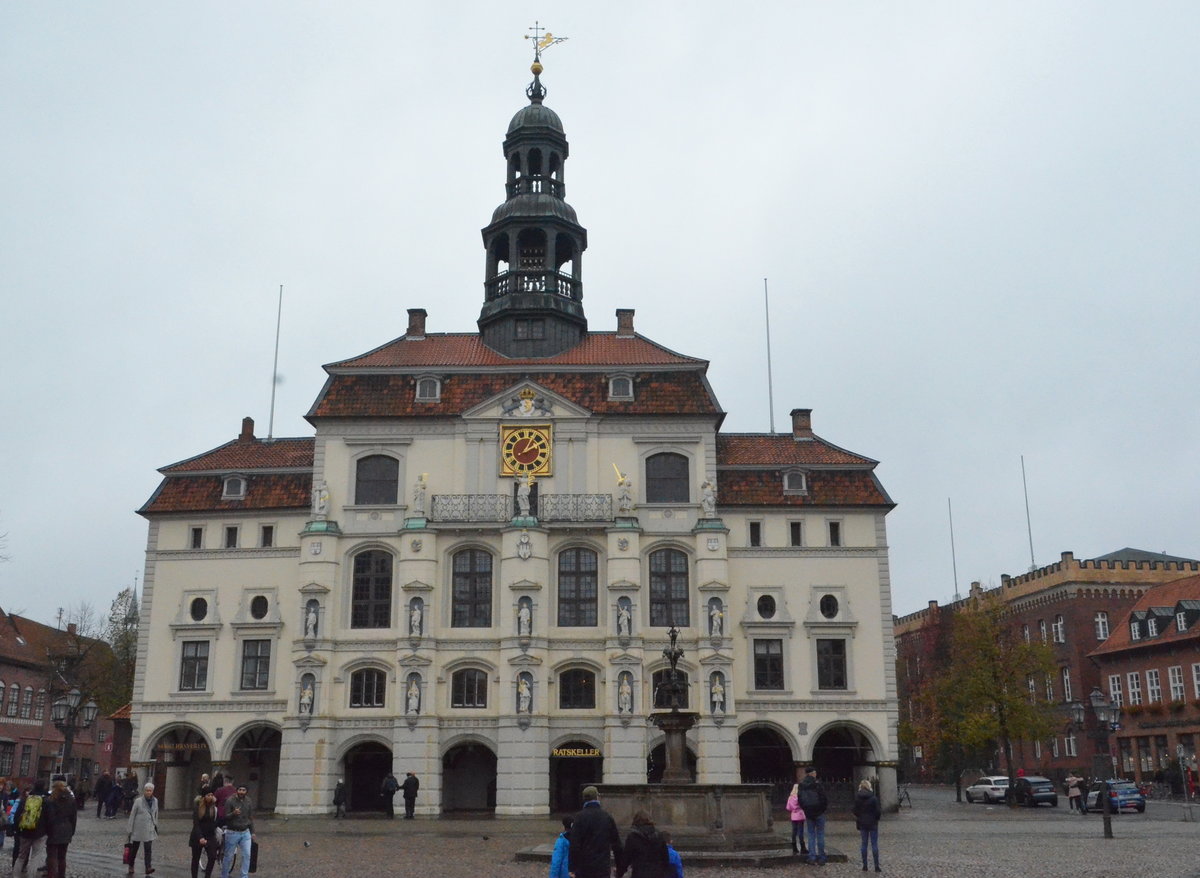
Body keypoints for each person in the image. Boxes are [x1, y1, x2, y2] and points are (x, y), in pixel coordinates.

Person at [569, 786, 622, 878]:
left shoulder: (579, 817)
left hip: (584, 868)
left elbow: (574, 845)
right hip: (602, 867)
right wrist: (619, 865)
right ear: (597, 797)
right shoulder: (607, 817)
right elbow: (617, 844)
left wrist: (572, 868)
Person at [617, 809, 669, 878]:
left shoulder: (633, 837)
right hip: (657, 874)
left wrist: (619, 873)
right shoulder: (659, 836)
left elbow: (626, 859)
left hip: (640, 873)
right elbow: (665, 858)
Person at [219, 784, 255, 878]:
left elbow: (250, 817)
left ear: (246, 791)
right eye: (240, 790)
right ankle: (224, 875)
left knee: (247, 854)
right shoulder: (230, 800)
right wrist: (233, 813)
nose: (241, 792)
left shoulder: (249, 801)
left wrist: (253, 832)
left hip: (245, 832)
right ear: (237, 790)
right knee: (228, 856)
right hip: (232, 832)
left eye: (244, 790)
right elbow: (225, 816)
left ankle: (244, 875)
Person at [44, 778, 77, 878]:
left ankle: (52, 875)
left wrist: (47, 830)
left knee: (52, 856)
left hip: (54, 829)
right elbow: (74, 817)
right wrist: (72, 831)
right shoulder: (71, 800)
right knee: (62, 857)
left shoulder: (51, 800)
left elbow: (48, 817)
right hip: (66, 828)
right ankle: (61, 875)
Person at [14, 779, 48, 873]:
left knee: (21, 857)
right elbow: (50, 818)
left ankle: (15, 875)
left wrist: (18, 830)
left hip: (25, 831)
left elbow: (17, 816)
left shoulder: (26, 799)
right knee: (35, 857)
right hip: (40, 833)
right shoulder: (46, 800)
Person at [126, 782, 159, 876]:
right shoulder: (138, 801)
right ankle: (131, 865)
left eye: (150, 790)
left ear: (152, 791)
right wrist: (129, 829)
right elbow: (132, 815)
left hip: (149, 828)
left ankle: (148, 867)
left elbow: (156, 813)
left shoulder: (155, 801)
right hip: (138, 829)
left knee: (148, 849)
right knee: (134, 849)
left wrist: (155, 825)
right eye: (147, 790)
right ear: (144, 791)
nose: (148, 792)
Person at [798, 766, 828, 866]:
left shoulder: (801, 785)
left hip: (809, 813)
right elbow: (824, 799)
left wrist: (806, 810)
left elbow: (800, 800)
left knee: (811, 835)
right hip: (819, 813)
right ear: (812, 773)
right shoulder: (817, 784)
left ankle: (812, 857)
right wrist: (822, 810)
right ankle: (821, 857)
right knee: (820, 835)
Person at [852, 779, 882, 873]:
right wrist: (876, 818)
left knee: (864, 844)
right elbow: (878, 811)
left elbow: (854, 810)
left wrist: (860, 816)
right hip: (872, 822)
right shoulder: (873, 798)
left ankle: (865, 865)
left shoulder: (858, 797)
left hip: (862, 822)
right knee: (874, 844)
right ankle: (876, 866)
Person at [189, 787, 220, 878]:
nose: (210, 797)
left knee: (212, 856)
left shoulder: (214, 807)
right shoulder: (198, 807)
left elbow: (216, 820)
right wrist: (200, 837)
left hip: (210, 835)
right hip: (198, 835)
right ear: (204, 796)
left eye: (211, 795)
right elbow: (196, 824)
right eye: (208, 795)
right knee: (195, 858)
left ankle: (207, 876)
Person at [785, 781, 808, 856]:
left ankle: (794, 846)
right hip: (800, 814)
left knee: (794, 831)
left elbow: (788, 807)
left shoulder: (790, 797)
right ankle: (802, 847)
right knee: (800, 831)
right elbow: (804, 805)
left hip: (793, 815)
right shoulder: (800, 797)